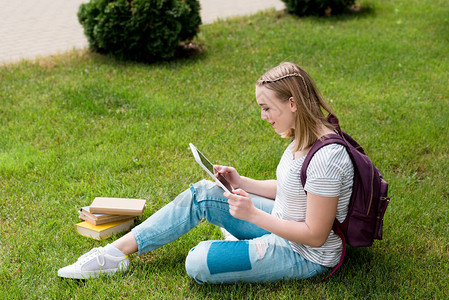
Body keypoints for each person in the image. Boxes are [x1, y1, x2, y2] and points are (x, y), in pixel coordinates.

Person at [58, 62, 354, 283]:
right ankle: (113, 254)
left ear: (292, 104)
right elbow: (294, 190)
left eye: (267, 108)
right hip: (282, 221)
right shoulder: (301, 137)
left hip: (304, 253)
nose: (262, 116)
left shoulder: (327, 159)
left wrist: (253, 216)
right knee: (205, 191)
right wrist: (240, 182)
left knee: (198, 262)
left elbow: (315, 235)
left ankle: (243, 242)